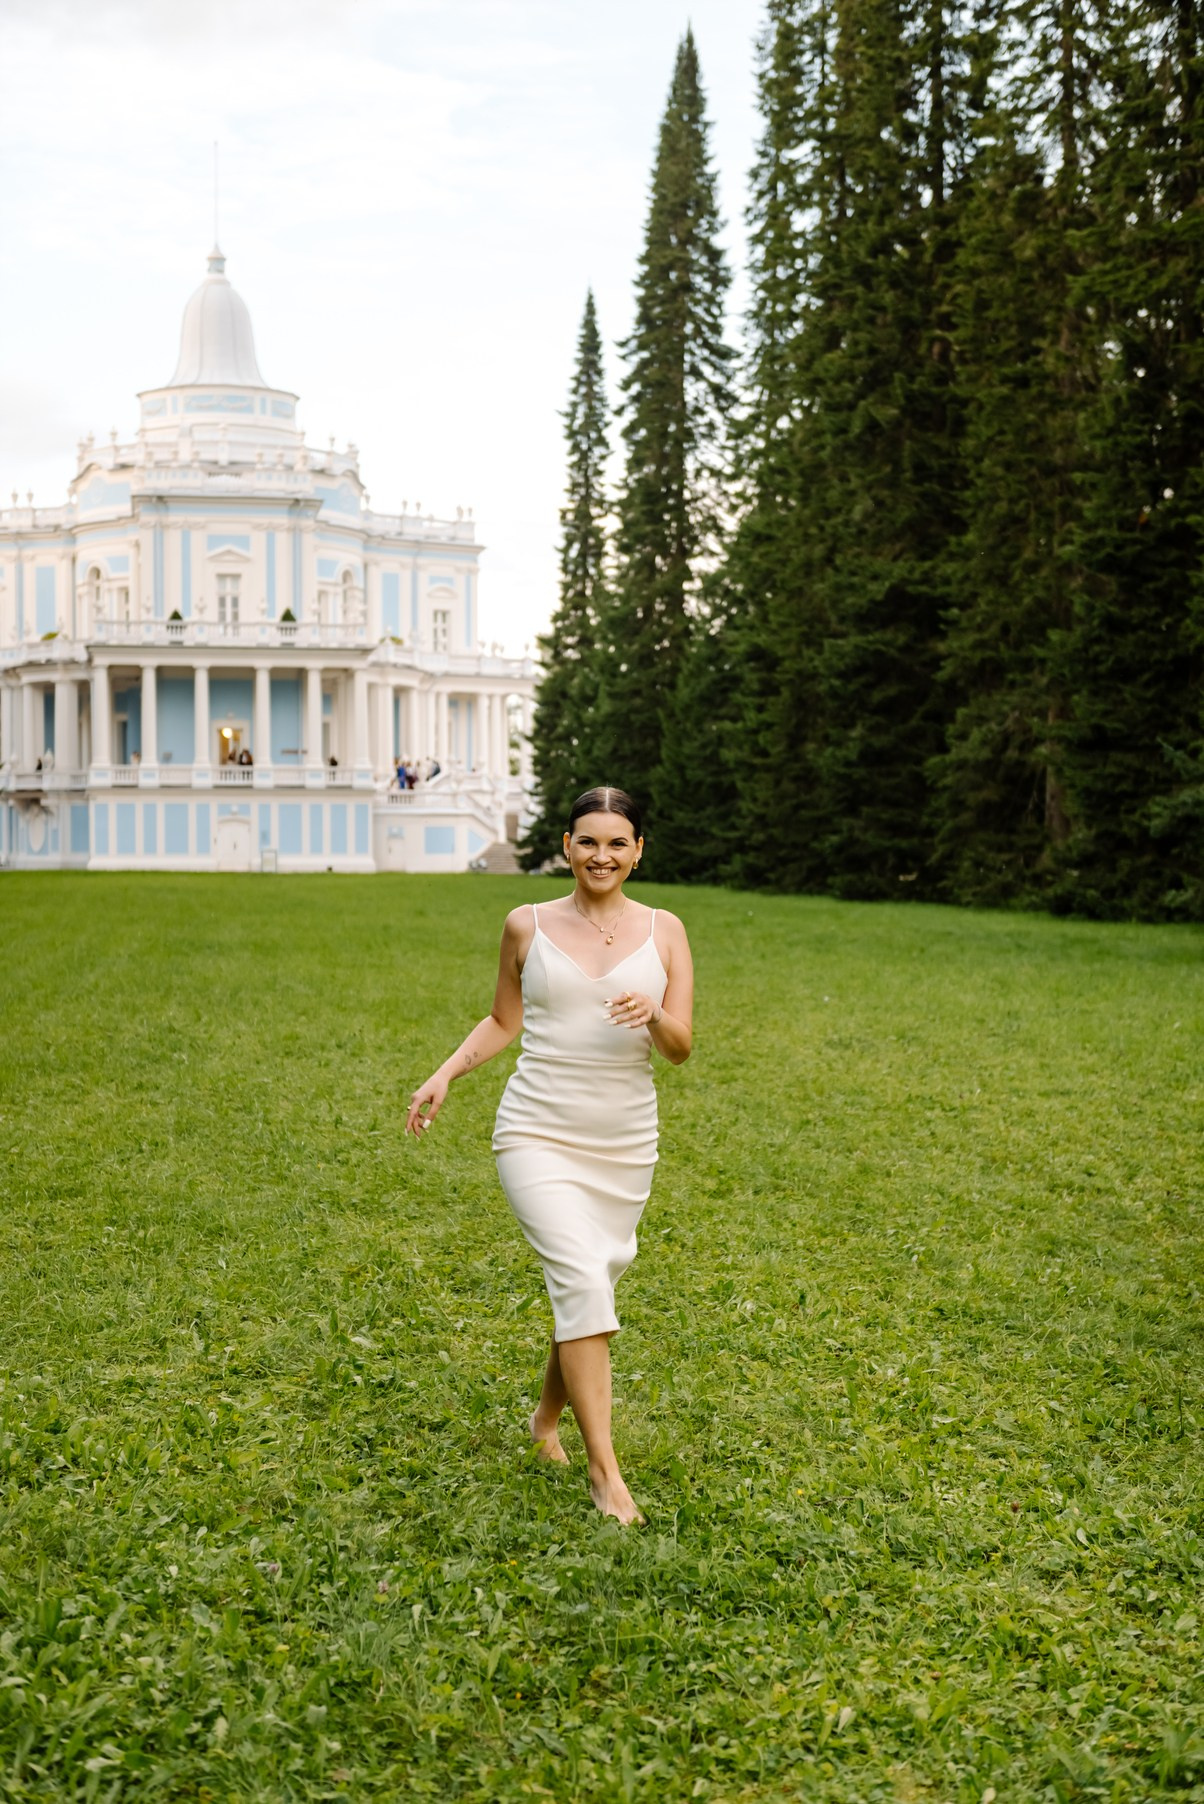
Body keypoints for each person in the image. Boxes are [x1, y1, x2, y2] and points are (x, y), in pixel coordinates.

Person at [407, 786, 694, 1525]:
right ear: (566, 846)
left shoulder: (666, 933)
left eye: (618, 843)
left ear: (639, 852)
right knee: (578, 1275)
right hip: (535, 1130)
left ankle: (544, 1422)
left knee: (589, 1285)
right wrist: (446, 1073)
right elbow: (505, 1019)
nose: (603, 856)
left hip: (625, 1142)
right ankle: (606, 1474)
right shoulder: (524, 925)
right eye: (588, 841)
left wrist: (656, 1012)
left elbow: (682, 1049)